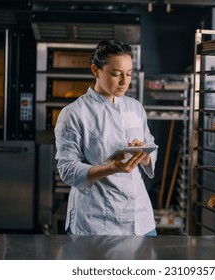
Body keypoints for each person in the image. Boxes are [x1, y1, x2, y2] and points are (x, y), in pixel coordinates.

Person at [54, 39, 158, 236]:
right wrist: (109, 169)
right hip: (96, 220)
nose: (124, 82)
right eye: (115, 74)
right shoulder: (74, 113)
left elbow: (150, 144)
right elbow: (67, 169)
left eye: (129, 74)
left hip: (139, 218)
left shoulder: (134, 107)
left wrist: (144, 155)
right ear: (96, 70)